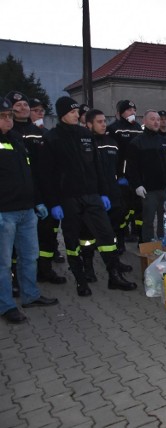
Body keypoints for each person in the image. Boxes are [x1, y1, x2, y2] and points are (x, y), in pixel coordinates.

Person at [40, 96, 136, 296]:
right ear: (62, 114)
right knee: (73, 241)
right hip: (68, 199)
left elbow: (97, 167)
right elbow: (46, 175)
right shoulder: (52, 138)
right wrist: (53, 203)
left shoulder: (85, 134)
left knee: (106, 236)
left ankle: (114, 276)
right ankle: (81, 280)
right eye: (73, 112)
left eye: (77, 112)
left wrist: (103, 193)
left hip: (92, 196)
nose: (77, 115)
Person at [1, 96, 59, 324]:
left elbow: (29, 174)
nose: (8, 120)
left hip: (27, 210)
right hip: (4, 212)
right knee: (4, 263)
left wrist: (38, 201)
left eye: (8, 116)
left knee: (29, 257)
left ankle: (30, 295)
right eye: (3, 117)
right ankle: (6, 306)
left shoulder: (17, 140)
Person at [7, 91, 66, 285]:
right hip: (19, 195)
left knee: (47, 235)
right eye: (18, 105)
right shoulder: (9, 133)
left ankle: (45, 270)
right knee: (16, 243)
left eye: (25, 104)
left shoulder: (42, 132)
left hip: (45, 193)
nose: (22, 108)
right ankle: (15, 277)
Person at [84, 109, 132, 266]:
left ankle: (115, 262)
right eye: (99, 122)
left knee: (115, 228)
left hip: (113, 192)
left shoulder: (112, 142)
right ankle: (88, 266)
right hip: (93, 194)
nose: (104, 124)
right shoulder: (86, 142)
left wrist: (121, 180)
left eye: (104, 121)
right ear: (89, 124)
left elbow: (118, 166)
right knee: (89, 233)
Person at [126, 110, 166, 243]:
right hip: (148, 190)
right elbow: (131, 168)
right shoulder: (137, 142)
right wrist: (137, 185)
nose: (156, 122)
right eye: (152, 119)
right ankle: (147, 245)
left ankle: (165, 242)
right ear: (144, 121)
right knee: (148, 220)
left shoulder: (165, 140)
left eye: (158, 119)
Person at [106, 100, 143, 240]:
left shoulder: (139, 128)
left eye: (134, 109)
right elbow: (113, 155)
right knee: (122, 208)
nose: (132, 112)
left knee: (137, 207)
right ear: (121, 113)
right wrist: (118, 174)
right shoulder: (114, 129)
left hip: (136, 176)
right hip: (121, 177)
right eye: (128, 110)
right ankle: (121, 235)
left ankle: (136, 231)